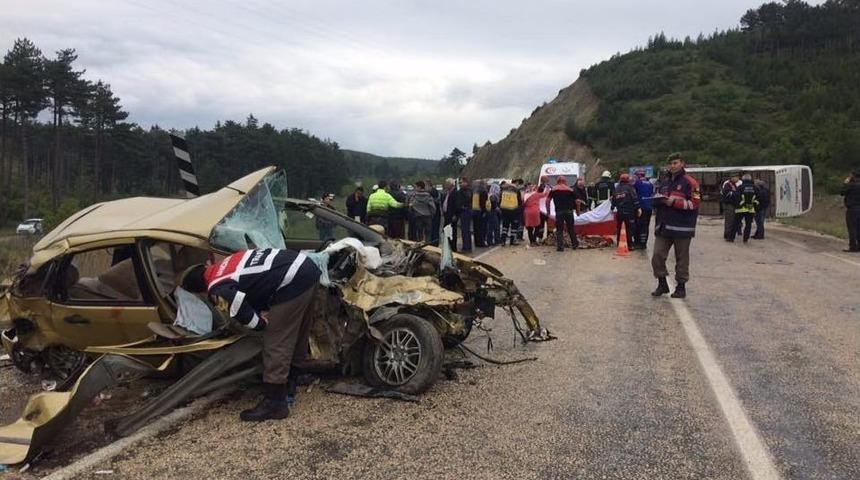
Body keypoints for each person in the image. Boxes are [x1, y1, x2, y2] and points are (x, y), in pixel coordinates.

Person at [180, 248, 321, 421]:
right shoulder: (226, 264)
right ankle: (292, 380)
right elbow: (254, 282)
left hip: (292, 279)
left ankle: (275, 403)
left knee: (276, 342)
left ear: (200, 289)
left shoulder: (216, 285)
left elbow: (239, 304)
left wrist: (260, 323)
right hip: (306, 268)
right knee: (298, 331)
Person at [651, 153, 700, 299]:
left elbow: (695, 204)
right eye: (670, 163)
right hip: (664, 226)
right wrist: (657, 200)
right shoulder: (664, 181)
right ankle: (662, 284)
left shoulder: (690, 182)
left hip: (682, 227)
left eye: (675, 163)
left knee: (682, 259)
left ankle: (681, 287)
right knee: (657, 256)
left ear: (682, 163)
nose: (672, 166)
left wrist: (674, 202)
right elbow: (658, 198)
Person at [547, 176, 579, 251]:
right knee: (571, 228)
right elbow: (577, 202)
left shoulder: (554, 189)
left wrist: (548, 211)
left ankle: (560, 247)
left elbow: (547, 201)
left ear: (557, 181)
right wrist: (577, 212)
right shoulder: (570, 190)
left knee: (559, 230)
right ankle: (575, 244)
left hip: (559, 212)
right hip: (569, 212)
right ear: (565, 181)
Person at [612, 173, 641, 249]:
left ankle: (619, 243)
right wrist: (638, 208)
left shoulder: (617, 188)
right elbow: (634, 198)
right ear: (628, 179)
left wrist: (612, 208)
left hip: (620, 212)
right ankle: (630, 245)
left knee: (619, 228)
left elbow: (613, 200)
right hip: (629, 212)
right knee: (630, 228)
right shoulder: (630, 187)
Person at [733, 174, 759, 243]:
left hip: (740, 209)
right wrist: (755, 207)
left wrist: (737, 205)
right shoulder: (755, 188)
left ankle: (731, 238)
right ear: (750, 179)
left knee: (736, 223)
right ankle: (745, 239)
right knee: (748, 225)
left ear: (743, 179)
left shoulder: (740, 187)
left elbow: (736, 197)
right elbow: (758, 198)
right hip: (750, 209)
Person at [633, 169, 654, 248]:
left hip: (640, 208)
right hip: (649, 207)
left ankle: (638, 243)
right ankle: (644, 243)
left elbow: (633, 194)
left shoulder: (637, 183)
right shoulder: (650, 184)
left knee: (638, 225)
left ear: (638, 175)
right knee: (646, 226)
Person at [499, 180, 523, 246]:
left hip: (504, 210)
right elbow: (519, 202)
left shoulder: (503, 190)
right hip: (514, 210)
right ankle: (512, 241)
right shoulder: (516, 191)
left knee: (505, 226)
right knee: (514, 227)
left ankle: (503, 241)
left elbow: (500, 200)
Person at [842, 170, 860, 252]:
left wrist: (845, 183)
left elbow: (842, 192)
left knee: (852, 228)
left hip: (852, 209)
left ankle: (853, 246)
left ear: (853, 176)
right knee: (859, 227)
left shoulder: (851, 185)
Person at [720, 172, 741, 241]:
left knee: (732, 220)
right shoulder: (727, 185)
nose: (738, 178)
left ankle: (730, 234)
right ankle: (728, 235)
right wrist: (736, 193)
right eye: (737, 177)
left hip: (733, 204)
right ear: (732, 178)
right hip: (729, 205)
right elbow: (728, 194)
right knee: (729, 220)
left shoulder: (734, 185)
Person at [441, 178, 459, 251]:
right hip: (447, 215)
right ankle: (448, 245)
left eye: (447, 183)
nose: (446, 185)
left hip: (452, 215)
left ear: (451, 184)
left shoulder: (455, 193)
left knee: (452, 231)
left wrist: (455, 214)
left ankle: (453, 247)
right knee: (447, 230)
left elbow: (457, 204)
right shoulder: (448, 193)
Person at [456, 177, 473, 252]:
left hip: (465, 211)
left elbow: (461, 202)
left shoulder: (462, 192)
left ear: (466, 182)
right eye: (459, 183)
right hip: (467, 211)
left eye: (461, 182)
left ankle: (466, 247)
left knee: (465, 230)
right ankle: (467, 246)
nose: (460, 184)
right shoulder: (469, 190)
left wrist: (461, 207)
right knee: (466, 230)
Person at [470, 180, 488, 248]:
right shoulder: (483, 191)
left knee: (476, 228)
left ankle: (477, 242)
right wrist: (484, 211)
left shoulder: (474, 191)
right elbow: (483, 203)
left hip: (474, 211)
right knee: (482, 228)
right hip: (480, 211)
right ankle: (481, 242)